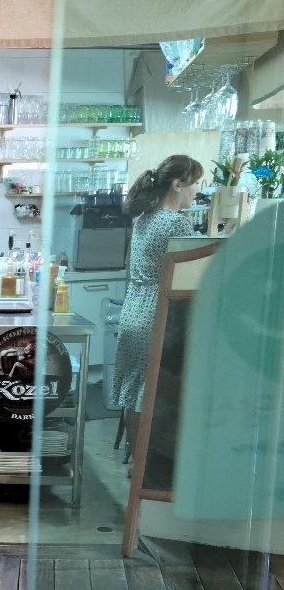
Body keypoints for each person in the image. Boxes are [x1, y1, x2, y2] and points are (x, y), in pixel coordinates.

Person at [111, 153, 204, 454]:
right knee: (156, 391)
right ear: (177, 185)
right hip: (158, 313)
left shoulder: (145, 219)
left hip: (134, 309)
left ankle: (136, 463)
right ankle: (149, 466)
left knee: (135, 390)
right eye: (195, 183)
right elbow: (187, 277)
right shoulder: (177, 224)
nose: (197, 190)